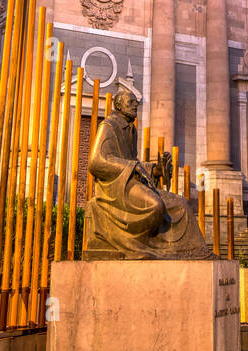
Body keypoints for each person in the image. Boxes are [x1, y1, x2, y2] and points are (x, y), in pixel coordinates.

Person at [83, 86, 211, 260]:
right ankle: (139, 247)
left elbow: (133, 161)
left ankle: (192, 252)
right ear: (119, 106)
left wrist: (155, 169)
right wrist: (130, 166)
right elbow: (96, 162)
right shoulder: (108, 126)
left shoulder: (131, 130)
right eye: (131, 102)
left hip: (130, 183)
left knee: (181, 203)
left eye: (136, 102)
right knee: (155, 206)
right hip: (115, 188)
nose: (136, 105)